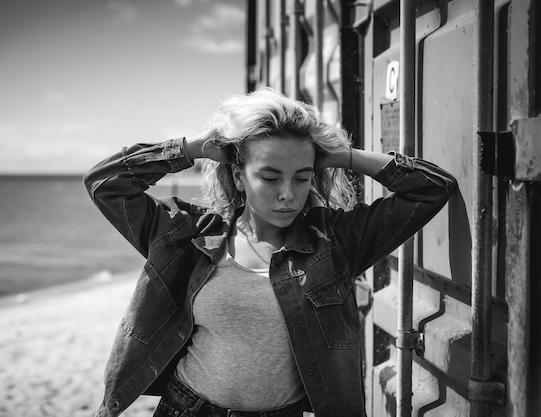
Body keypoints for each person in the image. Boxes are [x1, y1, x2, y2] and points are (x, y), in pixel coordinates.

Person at [83, 88, 457, 417]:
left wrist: (344, 156)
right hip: (189, 409)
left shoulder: (336, 243)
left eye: (301, 177)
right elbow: (105, 184)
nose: (287, 193)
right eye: (270, 176)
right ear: (237, 177)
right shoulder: (185, 236)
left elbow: (432, 188)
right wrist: (192, 148)